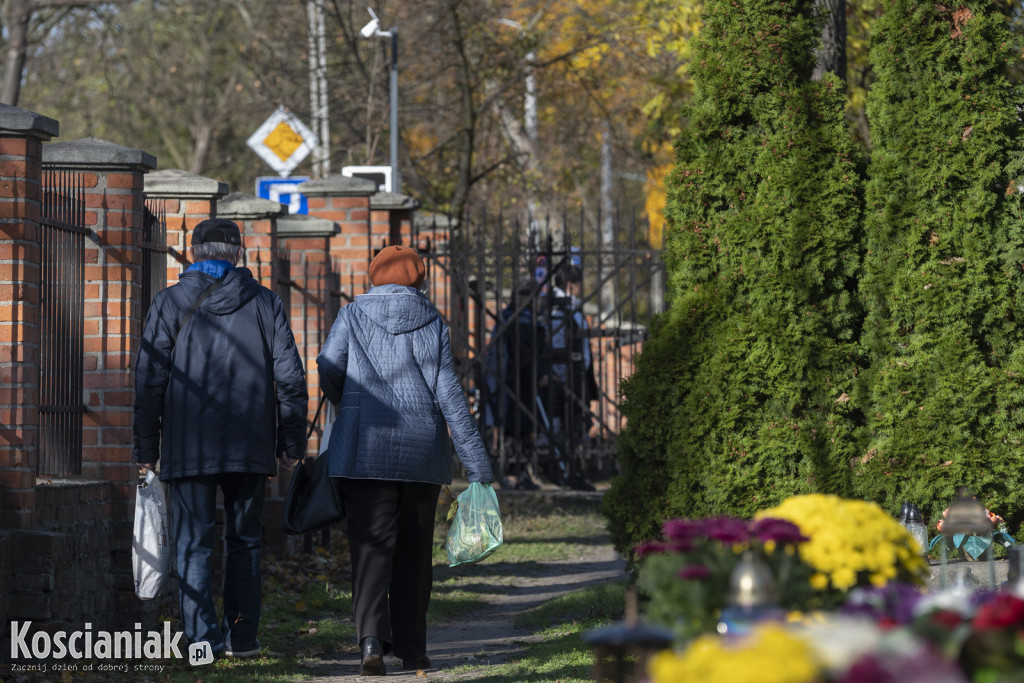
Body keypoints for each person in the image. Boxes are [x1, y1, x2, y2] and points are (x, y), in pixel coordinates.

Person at [133, 218, 308, 659]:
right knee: (245, 540)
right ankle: (243, 639)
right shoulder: (266, 303)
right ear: (240, 254)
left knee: (193, 541)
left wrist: (145, 450)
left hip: (189, 445)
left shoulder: (169, 303)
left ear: (194, 253)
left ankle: (202, 641)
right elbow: (289, 376)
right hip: (249, 444)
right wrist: (291, 442)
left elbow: (149, 379)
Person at [316, 245, 494, 676]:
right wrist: (478, 467)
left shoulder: (351, 315)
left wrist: (350, 403)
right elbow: (450, 395)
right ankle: (414, 651)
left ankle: (371, 642)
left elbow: (328, 364)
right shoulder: (432, 321)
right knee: (414, 555)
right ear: (420, 280)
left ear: (374, 276)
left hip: (364, 451)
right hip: (421, 454)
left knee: (371, 549)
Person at [482, 280, 547, 489]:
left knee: (512, 429)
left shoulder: (507, 315)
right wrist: (538, 375)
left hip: (503, 381)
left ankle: (516, 474)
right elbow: (526, 355)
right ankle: (516, 475)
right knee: (521, 428)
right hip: (520, 381)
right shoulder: (525, 319)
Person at [544, 265, 598, 490]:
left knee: (576, 426)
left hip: (574, 377)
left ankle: (573, 471)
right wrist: (562, 377)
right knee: (567, 426)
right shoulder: (559, 308)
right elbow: (556, 345)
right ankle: (565, 472)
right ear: (570, 285)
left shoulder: (570, 308)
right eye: (578, 285)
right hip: (566, 379)